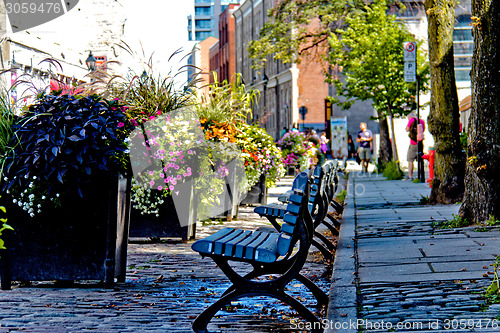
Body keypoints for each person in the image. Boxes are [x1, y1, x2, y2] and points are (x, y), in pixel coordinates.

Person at [405, 113, 425, 180]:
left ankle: (410, 176)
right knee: (419, 160)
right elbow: (423, 130)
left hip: (413, 143)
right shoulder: (422, 121)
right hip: (420, 143)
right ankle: (418, 175)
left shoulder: (411, 120)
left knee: (410, 159)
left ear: (410, 116)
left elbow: (407, 129)